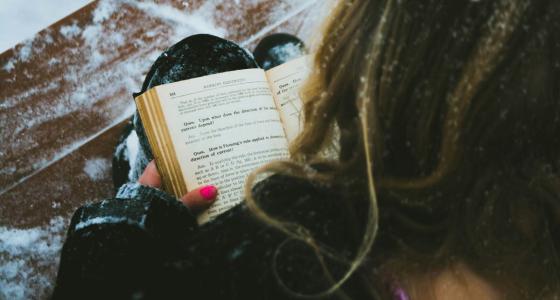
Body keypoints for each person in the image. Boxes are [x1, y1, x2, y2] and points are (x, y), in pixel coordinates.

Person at [53, 0, 560, 299]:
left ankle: (137, 164)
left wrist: (122, 231)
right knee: (268, 61)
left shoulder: (288, 239)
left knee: (203, 61)